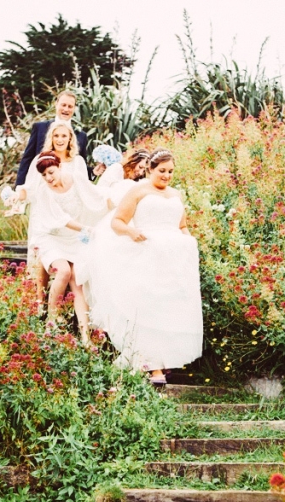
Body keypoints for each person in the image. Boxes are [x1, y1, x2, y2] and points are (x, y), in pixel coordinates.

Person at [87, 149, 203, 384]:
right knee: (149, 308)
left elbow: (181, 225)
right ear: (150, 169)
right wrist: (132, 231)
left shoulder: (176, 194)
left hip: (173, 258)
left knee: (169, 309)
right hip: (146, 254)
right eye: (162, 171)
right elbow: (117, 222)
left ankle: (161, 361)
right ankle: (154, 369)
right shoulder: (138, 191)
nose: (167, 176)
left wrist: (189, 242)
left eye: (170, 171)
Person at [24, 151, 110, 344]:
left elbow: (95, 197)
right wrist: (87, 229)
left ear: (60, 167)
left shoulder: (76, 179)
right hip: (51, 236)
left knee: (77, 281)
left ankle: (86, 335)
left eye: (51, 172)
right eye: (44, 175)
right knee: (62, 271)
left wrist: (113, 203)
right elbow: (62, 220)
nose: (48, 178)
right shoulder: (44, 191)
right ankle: (52, 321)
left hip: (74, 238)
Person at [15, 121, 91, 300]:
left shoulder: (77, 161)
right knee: (43, 257)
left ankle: (65, 303)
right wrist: (18, 195)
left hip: (72, 216)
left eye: (64, 135)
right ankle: (40, 300)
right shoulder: (41, 158)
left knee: (69, 268)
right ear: (51, 137)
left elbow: (84, 188)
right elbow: (30, 187)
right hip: (46, 213)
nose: (60, 139)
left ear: (70, 138)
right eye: (56, 135)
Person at [15, 91, 92, 186]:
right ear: (56, 104)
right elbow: (27, 160)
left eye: (70, 106)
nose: (66, 109)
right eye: (63, 105)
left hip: (67, 189)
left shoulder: (81, 135)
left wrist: (94, 172)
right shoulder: (39, 128)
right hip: (41, 186)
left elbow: (81, 167)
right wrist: (19, 188)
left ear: (74, 108)